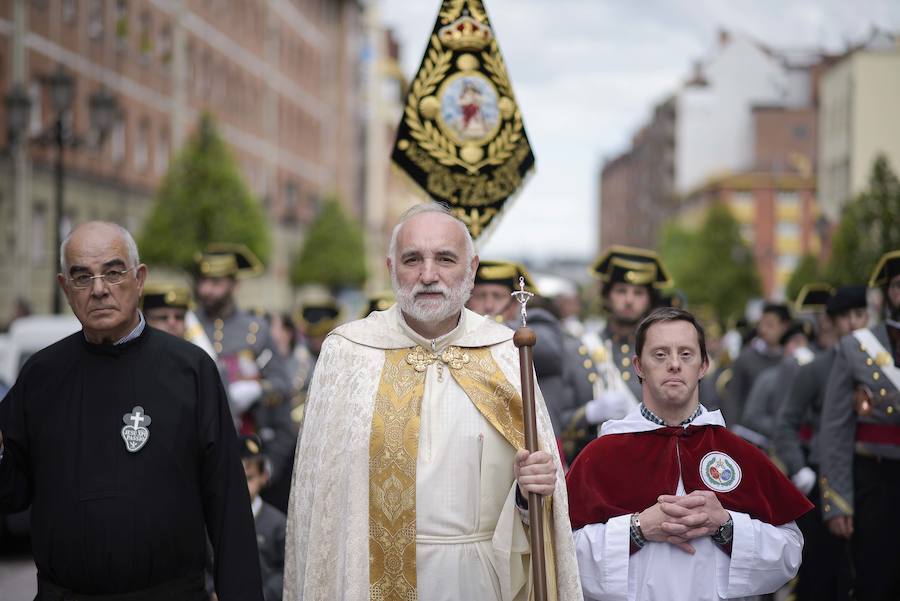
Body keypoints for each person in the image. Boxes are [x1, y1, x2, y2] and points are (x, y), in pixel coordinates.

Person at [283, 203, 582, 600]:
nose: (428, 275)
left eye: (445, 258)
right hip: (369, 579)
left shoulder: (505, 354)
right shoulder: (349, 354)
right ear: (391, 267)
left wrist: (529, 495)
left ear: (471, 268)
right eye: (413, 259)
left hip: (478, 580)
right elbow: (321, 502)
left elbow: (531, 504)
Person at [0, 221, 262, 600]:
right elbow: (12, 493)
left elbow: (228, 507)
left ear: (139, 278)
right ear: (64, 288)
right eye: (82, 277)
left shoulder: (191, 372)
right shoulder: (41, 376)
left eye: (113, 271)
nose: (99, 289)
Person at [566, 307, 811, 601]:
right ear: (638, 366)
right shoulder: (601, 455)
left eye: (686, 354)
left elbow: (789, 553)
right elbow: (560, 554)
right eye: (659, 354)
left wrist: (726, 526)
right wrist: (637, 529)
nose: (673, 364)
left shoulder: (739, 453)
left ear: (704, 365)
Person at [771, 285, 869, 601]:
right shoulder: (815, 368)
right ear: (832, 322)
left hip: (869, 475)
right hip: (821, 477)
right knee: (820, 574)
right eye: (845, 317)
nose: (853, 323)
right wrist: (799, 468)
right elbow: (785, 423)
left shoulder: (879, 368)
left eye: (860, 314)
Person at [819, 250, 900, 601]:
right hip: (875, 481)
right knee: (875, 579)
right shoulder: (856, 348)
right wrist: (836, 501)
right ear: (887, 295)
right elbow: (835, 429)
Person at [194, 244, 294, 508]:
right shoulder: (188, 324)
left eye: (215, 282)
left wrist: (257, 391)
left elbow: (282, 385)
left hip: (244, 448)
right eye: (202, 281)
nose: (206, 289)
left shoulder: (255, 329)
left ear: (234, 285)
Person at [560, 245, 671, 461]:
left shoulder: (666, 354)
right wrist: (589, 413)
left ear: (650, 300)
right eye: (621, 291)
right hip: (596, 468)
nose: (629, 300)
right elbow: (557, 423)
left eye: (638, 293)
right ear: (607, 296)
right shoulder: (578, 350)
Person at [466, 259, 575, 437]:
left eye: (497, 296)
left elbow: (550, 353)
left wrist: (495, 329)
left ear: (516, 303)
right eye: (480, 296)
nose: (488, 305)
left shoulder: (536, 320)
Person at [738, 319, 815, 446]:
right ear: (785, 346)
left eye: (806, 343)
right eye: (796, 342)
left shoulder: (814, 379)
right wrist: (783, 428)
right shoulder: (768, 378)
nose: (802, 348)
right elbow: (752, 416)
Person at [723, 302, 791, 426]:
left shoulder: (790, 360)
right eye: (761, 324)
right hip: (749, 435)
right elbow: (733, 401)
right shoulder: (745, 359)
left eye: (770, 325)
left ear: (785, 326)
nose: (763, 330)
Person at [240, 435, 287, 601]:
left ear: (264, 476)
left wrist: (265, 593)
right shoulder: (215, 521)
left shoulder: (278, 524)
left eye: (249, 478)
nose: (242, 486)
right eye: (237, 477)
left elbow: (286, 569)